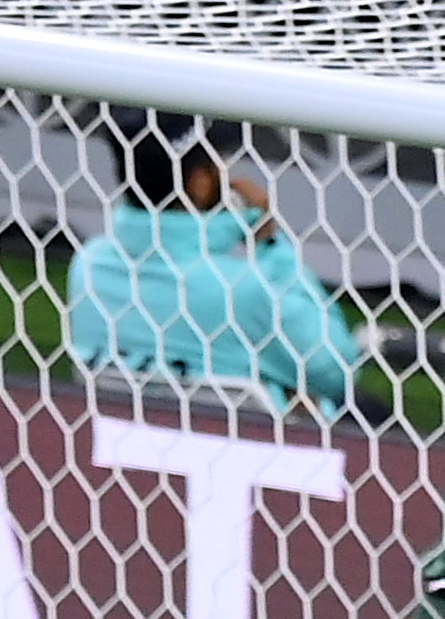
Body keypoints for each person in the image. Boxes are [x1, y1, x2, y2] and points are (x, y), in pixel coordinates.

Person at [64, 118, 371, 408]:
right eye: (219, 160)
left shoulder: (88, 267)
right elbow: (335, 371)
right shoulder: (245, 289)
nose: (227, 171)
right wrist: (268, 243)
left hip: (120, 447)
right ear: (199, 181)